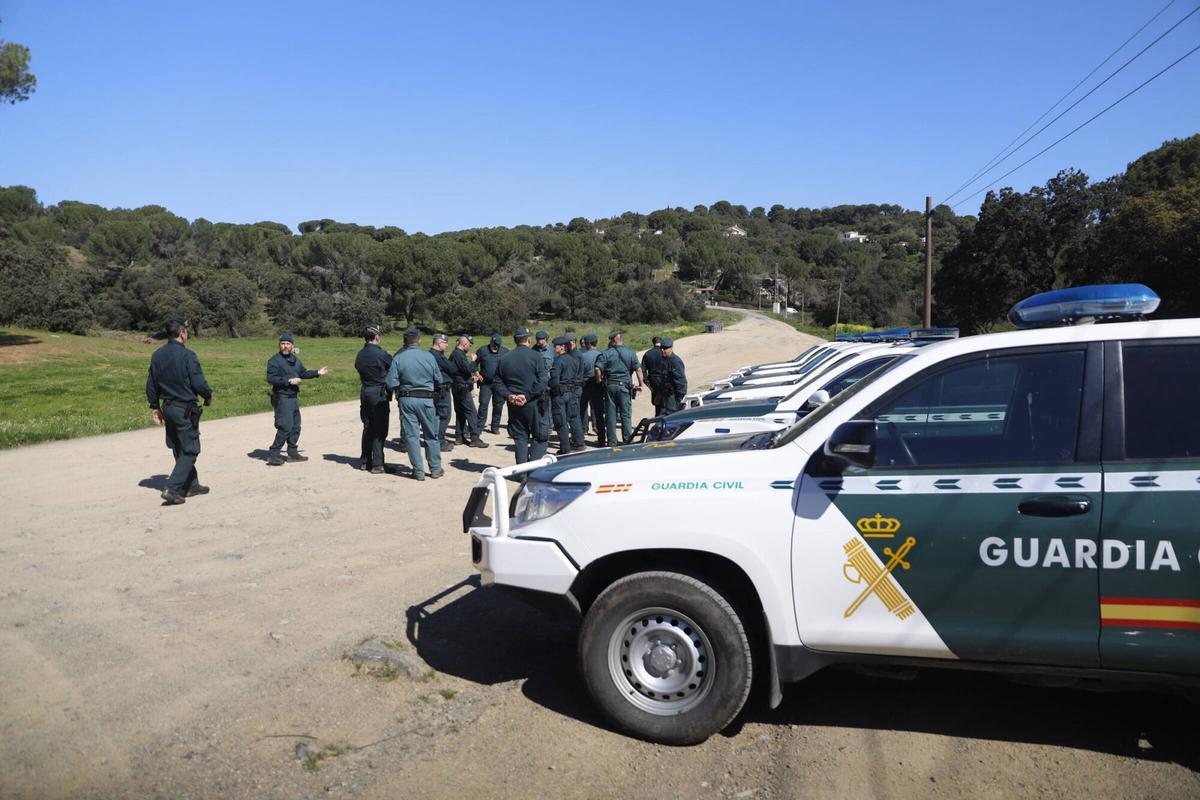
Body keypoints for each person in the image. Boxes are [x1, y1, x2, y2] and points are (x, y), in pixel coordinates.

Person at [146, 316, 212, 505]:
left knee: (178, 446)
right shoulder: (187, 355)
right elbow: (198, 382)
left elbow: (151, 384)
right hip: (184, 408)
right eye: (186, 330)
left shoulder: (157, 355)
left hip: (167, 407)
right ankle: (173, 488)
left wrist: (154, 407)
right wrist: (208, 396)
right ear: (182, 333)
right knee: (190, 449)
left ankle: (192, 485)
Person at [385, 328, 445, 480]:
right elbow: (439, 379)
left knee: (412, 437)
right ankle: (435, 469)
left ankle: (418, 471)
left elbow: (391, 382)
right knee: (431, 435)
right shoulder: (429, 357)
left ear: (405, 341)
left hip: (407, 399)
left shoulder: (398, 358)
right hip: (426, 399)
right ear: (419, 340)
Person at [265, 332, 330, 466]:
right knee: (285, 426)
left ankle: (293, 453)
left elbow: (303, 373)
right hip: (282, 397)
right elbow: (271, 378)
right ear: (279, 345)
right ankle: (273, 454)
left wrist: (317, 373)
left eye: (288, 344)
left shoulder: (295, 360)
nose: (285, 346)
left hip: (293, 398)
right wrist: (289, 381)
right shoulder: (274, 361)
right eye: (282, 343)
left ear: (292, 345)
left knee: (295, 426)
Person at [492, 327, 550, 464]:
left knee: (520, 438)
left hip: (514, 404)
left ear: (514, 340)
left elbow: (497, 383)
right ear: (529, 339)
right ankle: (533, 471)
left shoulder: (504, 358)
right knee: (539, 437)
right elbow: (543, 382)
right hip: (533, 403)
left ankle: (522, 472)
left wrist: (510, 396)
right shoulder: (536, 356)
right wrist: (527, 396)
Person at [594, 330, 644, 445]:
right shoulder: (630, 352)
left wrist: (599, 380)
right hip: (625, 387)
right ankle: (627, 440)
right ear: (621, 339)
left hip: (610, 386)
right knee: (625, 415)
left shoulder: (606, 353)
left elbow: (597, 369)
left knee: (611, 415)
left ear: (613, 340)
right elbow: (639, 369)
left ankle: (612, 442)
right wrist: (641, 385)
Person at [354, 325, 392, 473]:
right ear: (376, 337)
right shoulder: (381, 354)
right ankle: (378, 464)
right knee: (380, 429)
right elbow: (392, 366)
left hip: (365, 391)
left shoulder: (360, 354)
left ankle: (365, 461)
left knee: (368, 426)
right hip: (378, 392)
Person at [448, 333, 487, 448]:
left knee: (460, 413)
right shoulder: (458, 355)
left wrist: (472, 378)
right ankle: (475, 438)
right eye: (469, 345)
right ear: (464, 344)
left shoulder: (456, 354)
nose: (469, 347)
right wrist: (474, 360)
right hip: (461, 387)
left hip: (457, 386)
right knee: (471, 412)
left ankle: (459, 437)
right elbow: (467, 369)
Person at [549, 335, 586, 455]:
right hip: (573, 392)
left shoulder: (558, 361)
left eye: (556, 346)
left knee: (561, 421)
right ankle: (579, 443)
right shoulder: (574, 359)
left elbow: (554, 381)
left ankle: (565, 449)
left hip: (560, 394)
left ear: (562, 347)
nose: (554, 348)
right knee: (574, 418)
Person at [474, 333, 508, 435]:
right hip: (486, 383)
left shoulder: (505, 352)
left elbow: (510, 365)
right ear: (490, 342)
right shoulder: (482, 350)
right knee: (483, 404)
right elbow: (474, 363)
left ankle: (495, 426)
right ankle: (479, 427)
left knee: (498, 406)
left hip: (499, 384)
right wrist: (477, 372)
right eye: (494, 345)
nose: (495, 347)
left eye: (497, 345)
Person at [577, 333, 606, 446]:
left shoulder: (581, 356)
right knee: (599, 413)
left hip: (584, 386)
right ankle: (601, 439)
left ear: (587, 343)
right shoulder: (601, 354)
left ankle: (580, 437)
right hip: (597, 386)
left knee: (581, 412)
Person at [429, 333, 455, 452]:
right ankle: (439, 442)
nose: (447, 345)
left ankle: (438, 440)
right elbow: (451, 368)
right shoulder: (437, 356)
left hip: (437, 389)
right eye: (445, 343)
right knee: (444, 415)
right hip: (441, 389)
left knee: (437, 416)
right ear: (439, 343)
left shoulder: (431, 354)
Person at [650, 338, 689, 416]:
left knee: (669, 422)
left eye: (665, 348)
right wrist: (658, 394)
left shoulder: (675, 362)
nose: (662, 350)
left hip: (672, 399)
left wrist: (678, 400)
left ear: (671, 348)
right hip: (663, 398)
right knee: (660, 420)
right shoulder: (663, 360)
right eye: (661, 348)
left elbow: (681, 383)